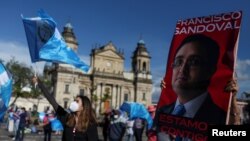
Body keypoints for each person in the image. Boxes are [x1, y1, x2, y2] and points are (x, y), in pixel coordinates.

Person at [154, 34, 229, 140]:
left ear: (211, 70)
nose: (182, 69)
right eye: (178, 61)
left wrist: (233, 102)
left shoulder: (221, 117)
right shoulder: (163, 111)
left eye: (194, 62)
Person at [33, 77, 98, 141]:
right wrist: (39, 83)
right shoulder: (67, 117)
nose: (74, 103)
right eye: (74, 100)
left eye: (77, 101)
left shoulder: (90, 124)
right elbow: (52, 101)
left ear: (83, 107)